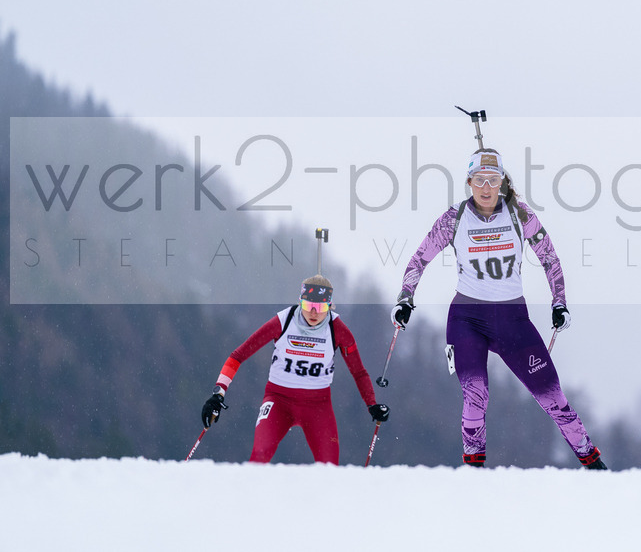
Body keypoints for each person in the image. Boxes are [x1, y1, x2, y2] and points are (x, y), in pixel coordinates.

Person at [392, 148, 607, 469]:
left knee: (552, 398)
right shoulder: (454, 218)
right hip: (467, 319)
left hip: (512, 321)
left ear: (502, 181)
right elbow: (420, 258)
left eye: (493, 180)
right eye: (479, 180)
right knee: (476, 396)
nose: (486, 187)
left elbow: (549, 257)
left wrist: (559, 302)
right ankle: (474, 472)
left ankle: (594, 464)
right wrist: (405, 297)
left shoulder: (520, 214)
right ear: (469, 182)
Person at [201, 274, 389, 464]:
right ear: (300, 302)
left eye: (321, 307)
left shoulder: (337, 329)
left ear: (330, 307)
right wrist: (219, 393)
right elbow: (238, 355)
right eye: (308, 306)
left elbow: (359, 372)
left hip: (318, 406)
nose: (314, 313)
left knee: (330, 469)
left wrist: (371, 404)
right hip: (278, 401)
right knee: (259, 456)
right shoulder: (283, 321)